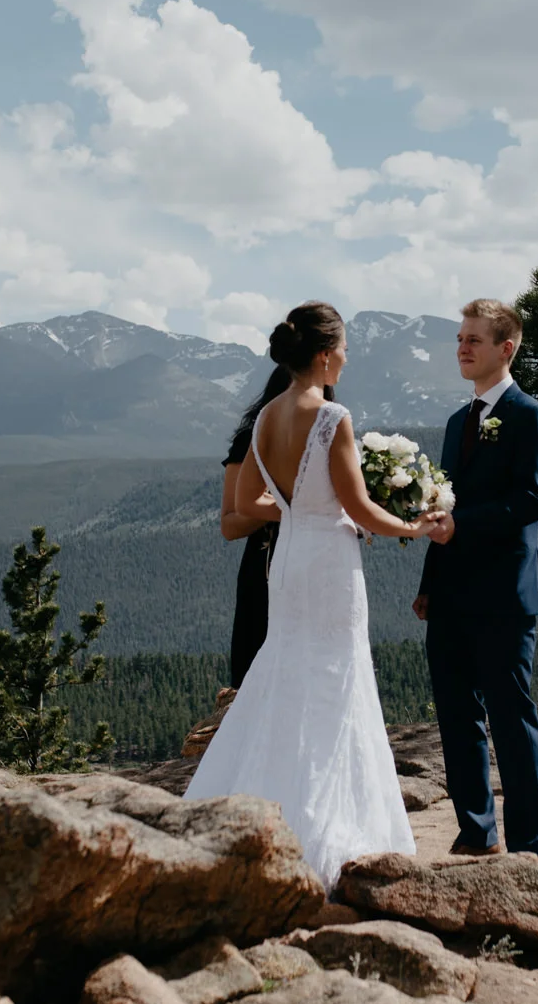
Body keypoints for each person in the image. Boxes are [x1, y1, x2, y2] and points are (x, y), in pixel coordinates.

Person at [188, 302, 444, 885]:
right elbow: (358, 507)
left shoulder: (265, 418)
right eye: (345, 349)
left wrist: (298, 507)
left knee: (284, 670)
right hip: (328, 562)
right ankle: (327, 826)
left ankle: (258, 802)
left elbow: (247, 505)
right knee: (335, 678)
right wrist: (415, 526)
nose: (347, 359)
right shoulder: (332, 418)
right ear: (325, 355)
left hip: (289, 561)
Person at [413, 300, 538, 857]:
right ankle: (476, 831)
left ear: (507, 347)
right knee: (456, 717)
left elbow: (532, 501)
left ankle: (528, 842)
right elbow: (442, 504)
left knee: (510, 716)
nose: (462, 348)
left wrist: (461, 526)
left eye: (474, 339)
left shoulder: (531, 416)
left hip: (504, 592)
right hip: (450, 592)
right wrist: (430, 581)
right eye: (459, 339)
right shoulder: (457, 423)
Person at [219, 366, 293, 689]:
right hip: (263, 578)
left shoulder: (327, 435)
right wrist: (283, 507)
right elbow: (230, 524)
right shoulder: (248, 442)